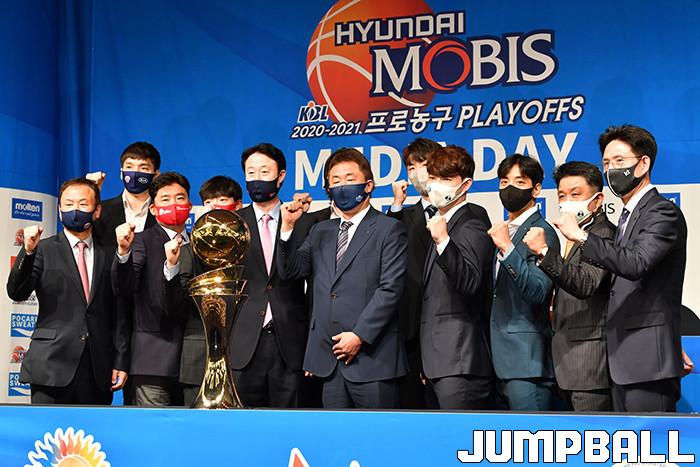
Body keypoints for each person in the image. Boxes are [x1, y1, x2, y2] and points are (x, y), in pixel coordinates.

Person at [554, 125, 687, 412]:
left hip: (647, 362)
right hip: (619, 361)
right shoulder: (628, 217)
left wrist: (582, 236)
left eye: (619, 161)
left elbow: (635, 263)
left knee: (650, 440)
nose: (611, 170)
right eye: (606, 163)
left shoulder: (662, 211)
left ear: (643, 164)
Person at [278, 147, 408, 409]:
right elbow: (291, 271)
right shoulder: (320, 231)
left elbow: (390, 289)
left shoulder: (389, 229)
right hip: (330, 360)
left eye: (350, 179)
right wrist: (288, 227)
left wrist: (359, 335)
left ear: (368, 185)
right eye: (335, 181)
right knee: (336, 434)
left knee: (376, 433)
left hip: (373, 359)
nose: (342, 186)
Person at [7, 178, 129, 404]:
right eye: (69, 204)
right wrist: (28, 251)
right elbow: (17, 292)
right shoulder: (43, 249)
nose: (75, 209)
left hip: (97, 368)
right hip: (50, 366)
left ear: (97, 211)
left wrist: (120, 360)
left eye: (83, 204)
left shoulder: (112, 252)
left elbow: (120, 311)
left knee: (92, 429)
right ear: (60, 210)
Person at [523, 161, 615, 411]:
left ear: (598, 200)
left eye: (576, 194)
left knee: (593, 433)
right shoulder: (574, 235)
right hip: (567, 362)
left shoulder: (602, 235)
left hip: (589, 364)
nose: (567, 202)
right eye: (562, 196)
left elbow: (585, 283)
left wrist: (544, 251)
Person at [231, 143, 315, 407]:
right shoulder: (232, 223)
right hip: (244, 342)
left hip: (291, 341)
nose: (257, 178)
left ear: (281, 176)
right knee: (242, 423)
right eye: (251, 172)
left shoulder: (306, 221)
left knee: (290, 423)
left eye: (264, 171)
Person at [419, 145, 494, 409]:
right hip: (438, 361)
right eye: (433, 178)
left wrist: (443, 241)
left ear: (466, 184)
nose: (437, 185)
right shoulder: (442, 223)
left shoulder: (471, 223)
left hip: (461, 360)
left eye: (446, 179)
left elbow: (470, 282)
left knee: (458, 434)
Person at [112, 172, 193, 406]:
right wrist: (123, 252)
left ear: (189, 206)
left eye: (180, 198)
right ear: (154, 209)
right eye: (165, 199)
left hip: (196, 363)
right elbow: (124, 288)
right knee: (153, 428)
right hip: (153, 361)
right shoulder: (140, 241)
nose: (174, 204)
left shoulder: (203, 243)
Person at [488, 154, 560, 410]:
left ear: (536, 189)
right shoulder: (504, 232)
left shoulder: (542, 231)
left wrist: (508, 248)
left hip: (527, 361)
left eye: (519, 182)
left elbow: (539, 291)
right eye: (504, 182)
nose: (509, 188)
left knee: (530, 433)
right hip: (499, 360)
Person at [166, 175, 243, 406]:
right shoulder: (187, 250)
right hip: (198, 357)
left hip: (245, 355)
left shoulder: (251, 247)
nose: (214, 207)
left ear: (238, 205)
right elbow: (177, 301)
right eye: (208, 202)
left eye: (221, 200)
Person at [385, 137, 441, 408]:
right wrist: (397, 204)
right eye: (411, 167)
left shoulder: (463, 213)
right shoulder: (403, 216)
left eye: (424, 164)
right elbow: (387, 246)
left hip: (447, 325)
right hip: (411, 324)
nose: (418, 172)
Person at [91, 141, 160, 248]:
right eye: (129, 167)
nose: (135, 173)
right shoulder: (102, 211)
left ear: (156, 175)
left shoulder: (162, 212)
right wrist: (90, 194)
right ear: (121, 173)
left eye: (143, 168)